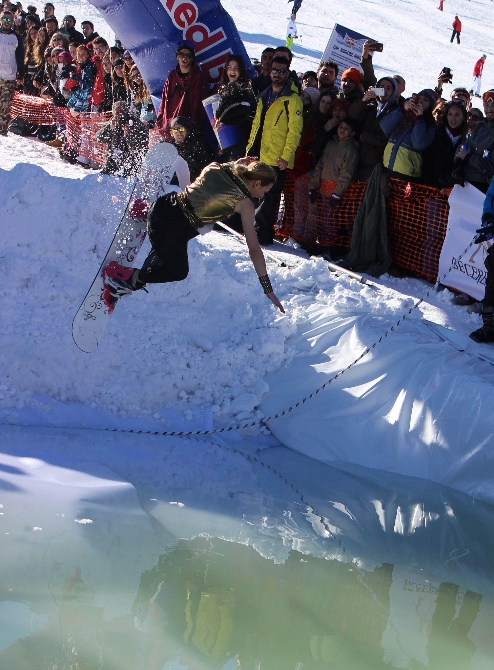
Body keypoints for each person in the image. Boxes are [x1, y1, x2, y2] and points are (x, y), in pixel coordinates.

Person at [104, 159, 285, 315]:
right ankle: (127, 278)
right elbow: (254, 249)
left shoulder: (222, 167)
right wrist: (268, 289)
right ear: (257, 183)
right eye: (265, 191)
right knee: (177, 271)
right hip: (168, 229)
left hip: (163, 205)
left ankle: (144, 210)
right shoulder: (245, 204)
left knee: (186, 217)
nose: (262, 196)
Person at [246, 55, 304, 245]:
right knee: (256, 193)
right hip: (261, 154)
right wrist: (249, 150)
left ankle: (263, 235)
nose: (277, 74)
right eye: (274, 70)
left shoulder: (292, 99)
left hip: (278, 158)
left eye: (281, 71)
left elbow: (295, 131)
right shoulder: (265, 95)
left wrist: (286, 155)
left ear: (287, 73)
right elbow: (257, 126)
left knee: (270, 197)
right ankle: (253, 229)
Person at [293, 118, 359, 254]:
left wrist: (337, 192)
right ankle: (312, 244)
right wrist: (312, 186)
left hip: (335, 191)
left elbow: (347, 172)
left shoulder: (351, 148)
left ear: (352, 132)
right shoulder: (331, 143)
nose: (342, 130)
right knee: (319, 218)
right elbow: (320, 166)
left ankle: (327, 247)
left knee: (330, 220)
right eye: (340, 127)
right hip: (322, 188)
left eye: (346, 128)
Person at [156, 39, 209, 140]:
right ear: (177, 56)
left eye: (188, 55)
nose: (184, 58)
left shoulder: (198, 77)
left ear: (192, 58)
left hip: (186, 133)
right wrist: (161, 125)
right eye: (181, 54)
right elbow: (164, 102)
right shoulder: (172, 76)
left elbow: (198, 108)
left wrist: (193, 130)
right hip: (170, 130)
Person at [349, 76, 400, 181]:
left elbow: (391, 139)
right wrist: (363, 99)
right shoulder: (370, 105)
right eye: (381, 87)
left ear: (393, 92)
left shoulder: (396, 112)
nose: (384, 90)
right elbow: (353, 115)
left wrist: (367, 137)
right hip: (357, 159)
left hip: (377, 164)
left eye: (388, 88)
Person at [380, 89, 438, 179]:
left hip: (407, 175)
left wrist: (419, 118)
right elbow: (385, 127)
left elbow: (419, 144)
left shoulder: (429, 124)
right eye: (419, 97)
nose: (421, 101)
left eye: (426, 100)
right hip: (387, 168)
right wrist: (402, 110)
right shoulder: (402, 114)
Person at [214, 54, 257, 160]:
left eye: (236, 68)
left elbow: (243, 115)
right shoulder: (223, 88)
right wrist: (222, 142)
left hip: (240, 139)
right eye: (229, 68)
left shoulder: (245, 89)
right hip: (227, 139)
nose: (232, 71)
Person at [454, 90, 494, 193]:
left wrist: (467, 157)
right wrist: (459, 162)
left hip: (484, 188)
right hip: (466, 183)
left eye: (493, 105)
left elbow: (489, 166)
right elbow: (463, 147)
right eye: (486, 105)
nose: (489, 109)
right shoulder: (481, 126)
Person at [95, 101, 149, 177]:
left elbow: (138, 147)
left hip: (130, 166)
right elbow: (99, 138)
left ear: (127, 111)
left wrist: (128, 134)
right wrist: (110, 128)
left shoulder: (135, 123)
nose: (121, 115)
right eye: (117, 113)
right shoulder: (113, 122)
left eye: (123, 112)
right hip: (112, 164)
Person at [422, 101, 467, 187]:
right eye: (450, 114)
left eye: (457, 115)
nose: (453, 118)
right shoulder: (437, 133)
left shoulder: (467, 139)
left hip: (455, 191)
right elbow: (427, 161)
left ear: (463, 117)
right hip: (432, 188)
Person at [0, 9, 24, 135]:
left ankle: (2, 129)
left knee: (5, 105)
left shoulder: (16, 38)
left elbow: (20, 57)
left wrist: (20, 73)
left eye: (9, 19)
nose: (6, 22)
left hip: (8, 76)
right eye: (4, 19)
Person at [169, 115, 213, 181]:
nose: (179, 132)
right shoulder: (170, 147)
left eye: (181, 129)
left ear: (188, 130)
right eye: (175, 130)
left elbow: (206, 167)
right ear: (171, 133)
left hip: (199, 181)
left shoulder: (197, 143)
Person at [310, 95, 350, 162]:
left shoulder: (350, 129)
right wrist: (324, 130)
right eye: (335, 110)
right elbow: (315, 150)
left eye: (341, 110)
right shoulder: (326, 125)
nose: (337, 113)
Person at [66, 43, 96, 113]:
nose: (80, 57)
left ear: (87, 55)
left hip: (87, 95)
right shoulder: (84, 66)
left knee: (82, 114)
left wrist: (77, 78)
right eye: (79, 54)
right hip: (83, 93)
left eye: (83, 54)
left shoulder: (89, 67)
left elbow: (90, 85)